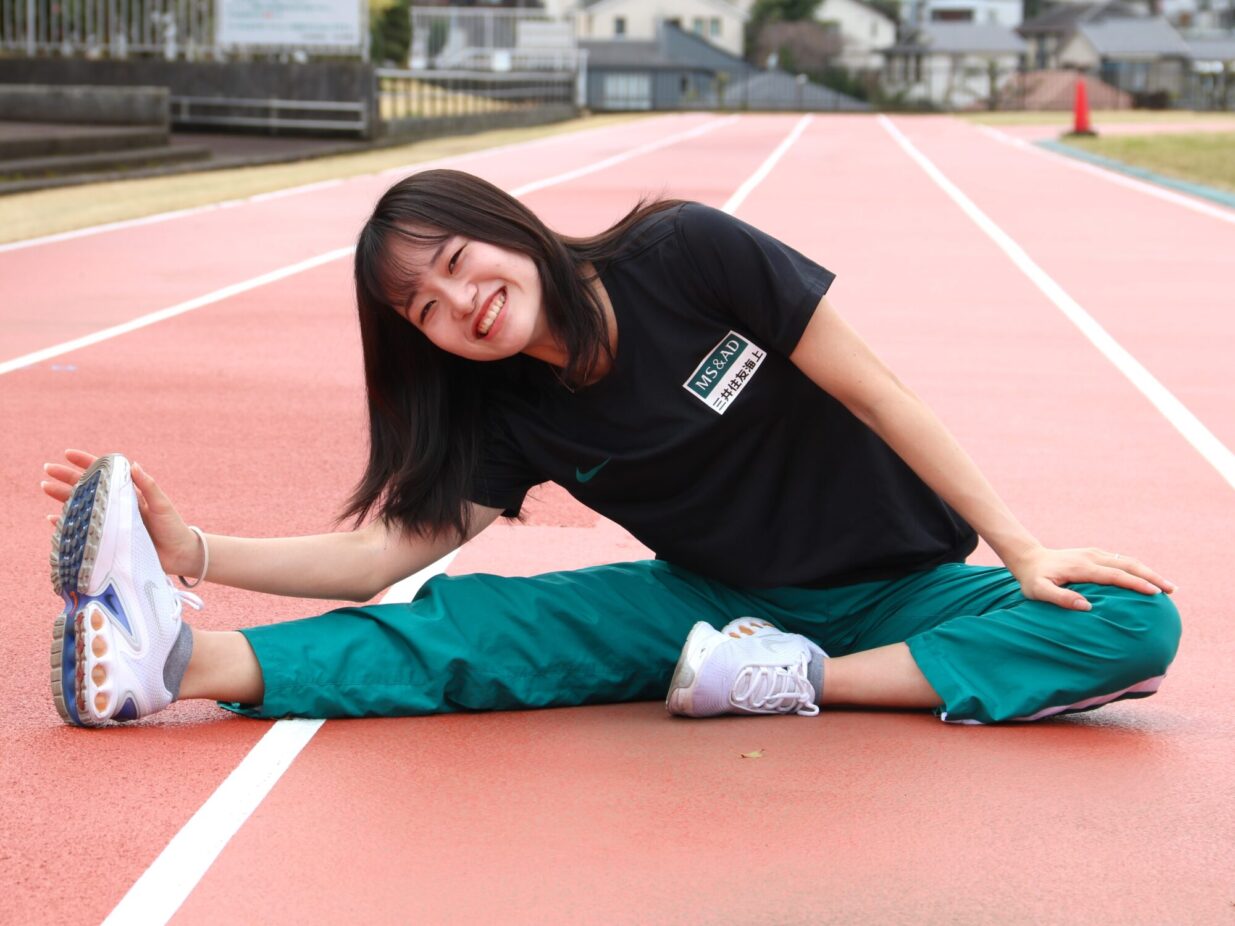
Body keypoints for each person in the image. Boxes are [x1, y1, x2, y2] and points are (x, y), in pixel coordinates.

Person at [42, 169, 1181, 728]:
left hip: (902, 589)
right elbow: (381, 556)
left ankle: (795, 680)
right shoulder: (503, 410)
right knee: (477, 626)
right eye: (424, 307)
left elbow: (877, 393)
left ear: (505, 225)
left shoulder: (685, 253)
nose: (459, 302)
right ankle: (175, 664)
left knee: (1132, 620)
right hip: (710, 603)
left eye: (457, 261)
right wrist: (193, 547)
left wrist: (1019, 548)